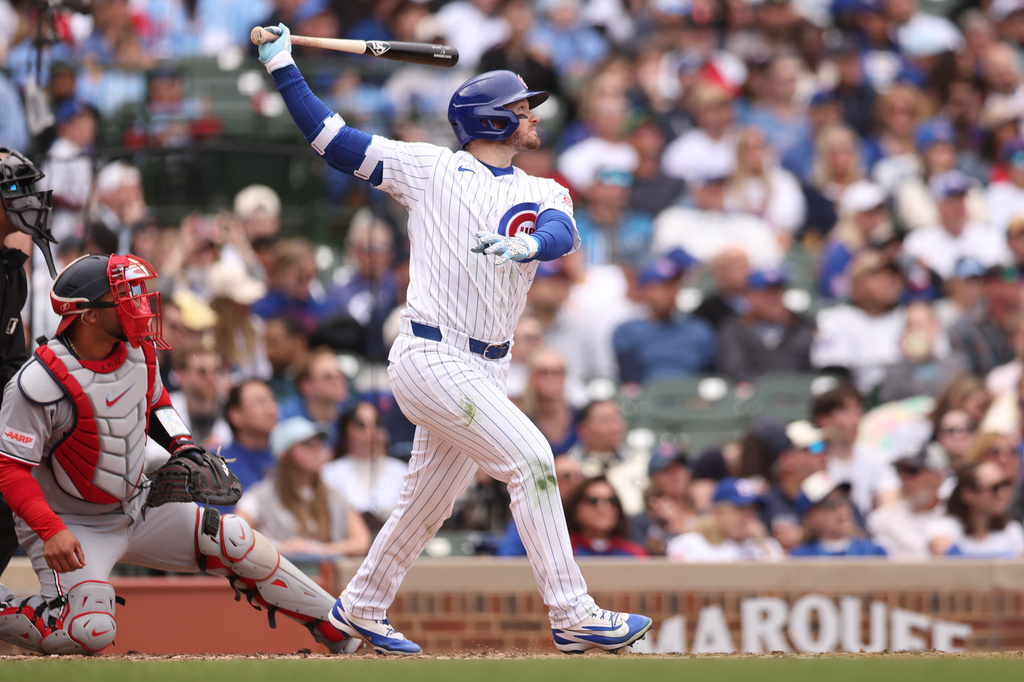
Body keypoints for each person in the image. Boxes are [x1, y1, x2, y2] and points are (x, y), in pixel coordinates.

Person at [259, 25, 652, 654]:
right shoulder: (429, 168)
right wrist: (283, 65)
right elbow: (333, 140)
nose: (531, 116)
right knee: (532, 460)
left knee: (426, 505)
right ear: (491, 122)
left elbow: (558, 231)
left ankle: (355, 610)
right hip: (431, 353)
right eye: (520, 109)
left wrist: (528, 244)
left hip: (486, 368)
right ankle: (573, 612)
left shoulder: (544, 188)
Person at [0, 254, 357, 655]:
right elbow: (10, 469)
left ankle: (337, 625)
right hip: (72, 522)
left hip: (138, 501)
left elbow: (158, 406)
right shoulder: (38, 380)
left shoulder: (141, 352)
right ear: (87, 316)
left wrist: (183, 445)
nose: (138, 304)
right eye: (121, 296)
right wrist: (50, 530)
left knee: (235, 538)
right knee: (89, 630)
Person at [0, 148, 60, 607]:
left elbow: (10, 361)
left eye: (27, 187)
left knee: (12, 500)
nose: (27, 200)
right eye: (12, 190)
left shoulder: (10, 271)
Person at [234, 416, 372, 559]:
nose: (317, 449)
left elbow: (362, 542)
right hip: (274, 577)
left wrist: (314, 549)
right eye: (307, 443)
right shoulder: (259, 496)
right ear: (283, 454)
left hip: (323, 578)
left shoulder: (334, 496)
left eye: (319, 442)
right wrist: (278, 548)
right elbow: (235, 537)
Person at [322, 401, 407, 530]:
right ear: (346, 430)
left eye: (376, 424)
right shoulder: (330, 472)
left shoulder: (401, 470)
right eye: (361, 425)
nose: (370, 431)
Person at [667, 476, 783, 562]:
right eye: (740, 509)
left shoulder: (766, 544)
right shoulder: (690, 544)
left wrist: (762, 543)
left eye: (752, 509)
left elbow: (783, 581)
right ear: (717, 512)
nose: (748, 516)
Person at [866, 442, 949, 558]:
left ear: (938, 477)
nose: (904, 479)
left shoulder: (956, 518)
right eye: (900, 471)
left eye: (913, 471)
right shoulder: (882, 521)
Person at [926, 460, 1024, 558]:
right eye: (995, 488)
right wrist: (1009, 557)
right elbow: (944, 554)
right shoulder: (944, 527)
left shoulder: (1011, 529)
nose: (1003, 494)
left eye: (1005, 484)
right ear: (968, 495)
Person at [790, 472, 888, 557]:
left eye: (843, 500)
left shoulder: (873, 552)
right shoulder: (800, 557)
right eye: (830, 504)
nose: (841, 509)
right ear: (809, 516)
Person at [563, 476, 648, 558]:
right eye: (593, 501)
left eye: (611, 501)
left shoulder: (636, 555)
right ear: (575, 508)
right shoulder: (562, 552)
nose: (603, 508)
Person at [219, 378, 279, 493]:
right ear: (235, 415)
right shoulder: (217, 466)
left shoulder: (287, 458)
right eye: (260, 402)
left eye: (272, 399)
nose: (270, 408)